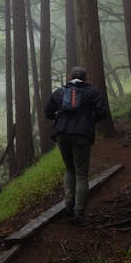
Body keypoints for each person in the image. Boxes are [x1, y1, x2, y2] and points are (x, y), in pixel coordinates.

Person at [44, 65, 109, 225]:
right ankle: (78, 213)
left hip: (61, 133)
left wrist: (58, 117)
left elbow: (48, 112)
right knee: (81, 173)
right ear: (85, 78)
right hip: (82, 135)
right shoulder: (93, 93)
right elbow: (102, 112)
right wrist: (89, 120)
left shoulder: (59, 93)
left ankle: (68, 204)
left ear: (70, 77)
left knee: (69, 168)